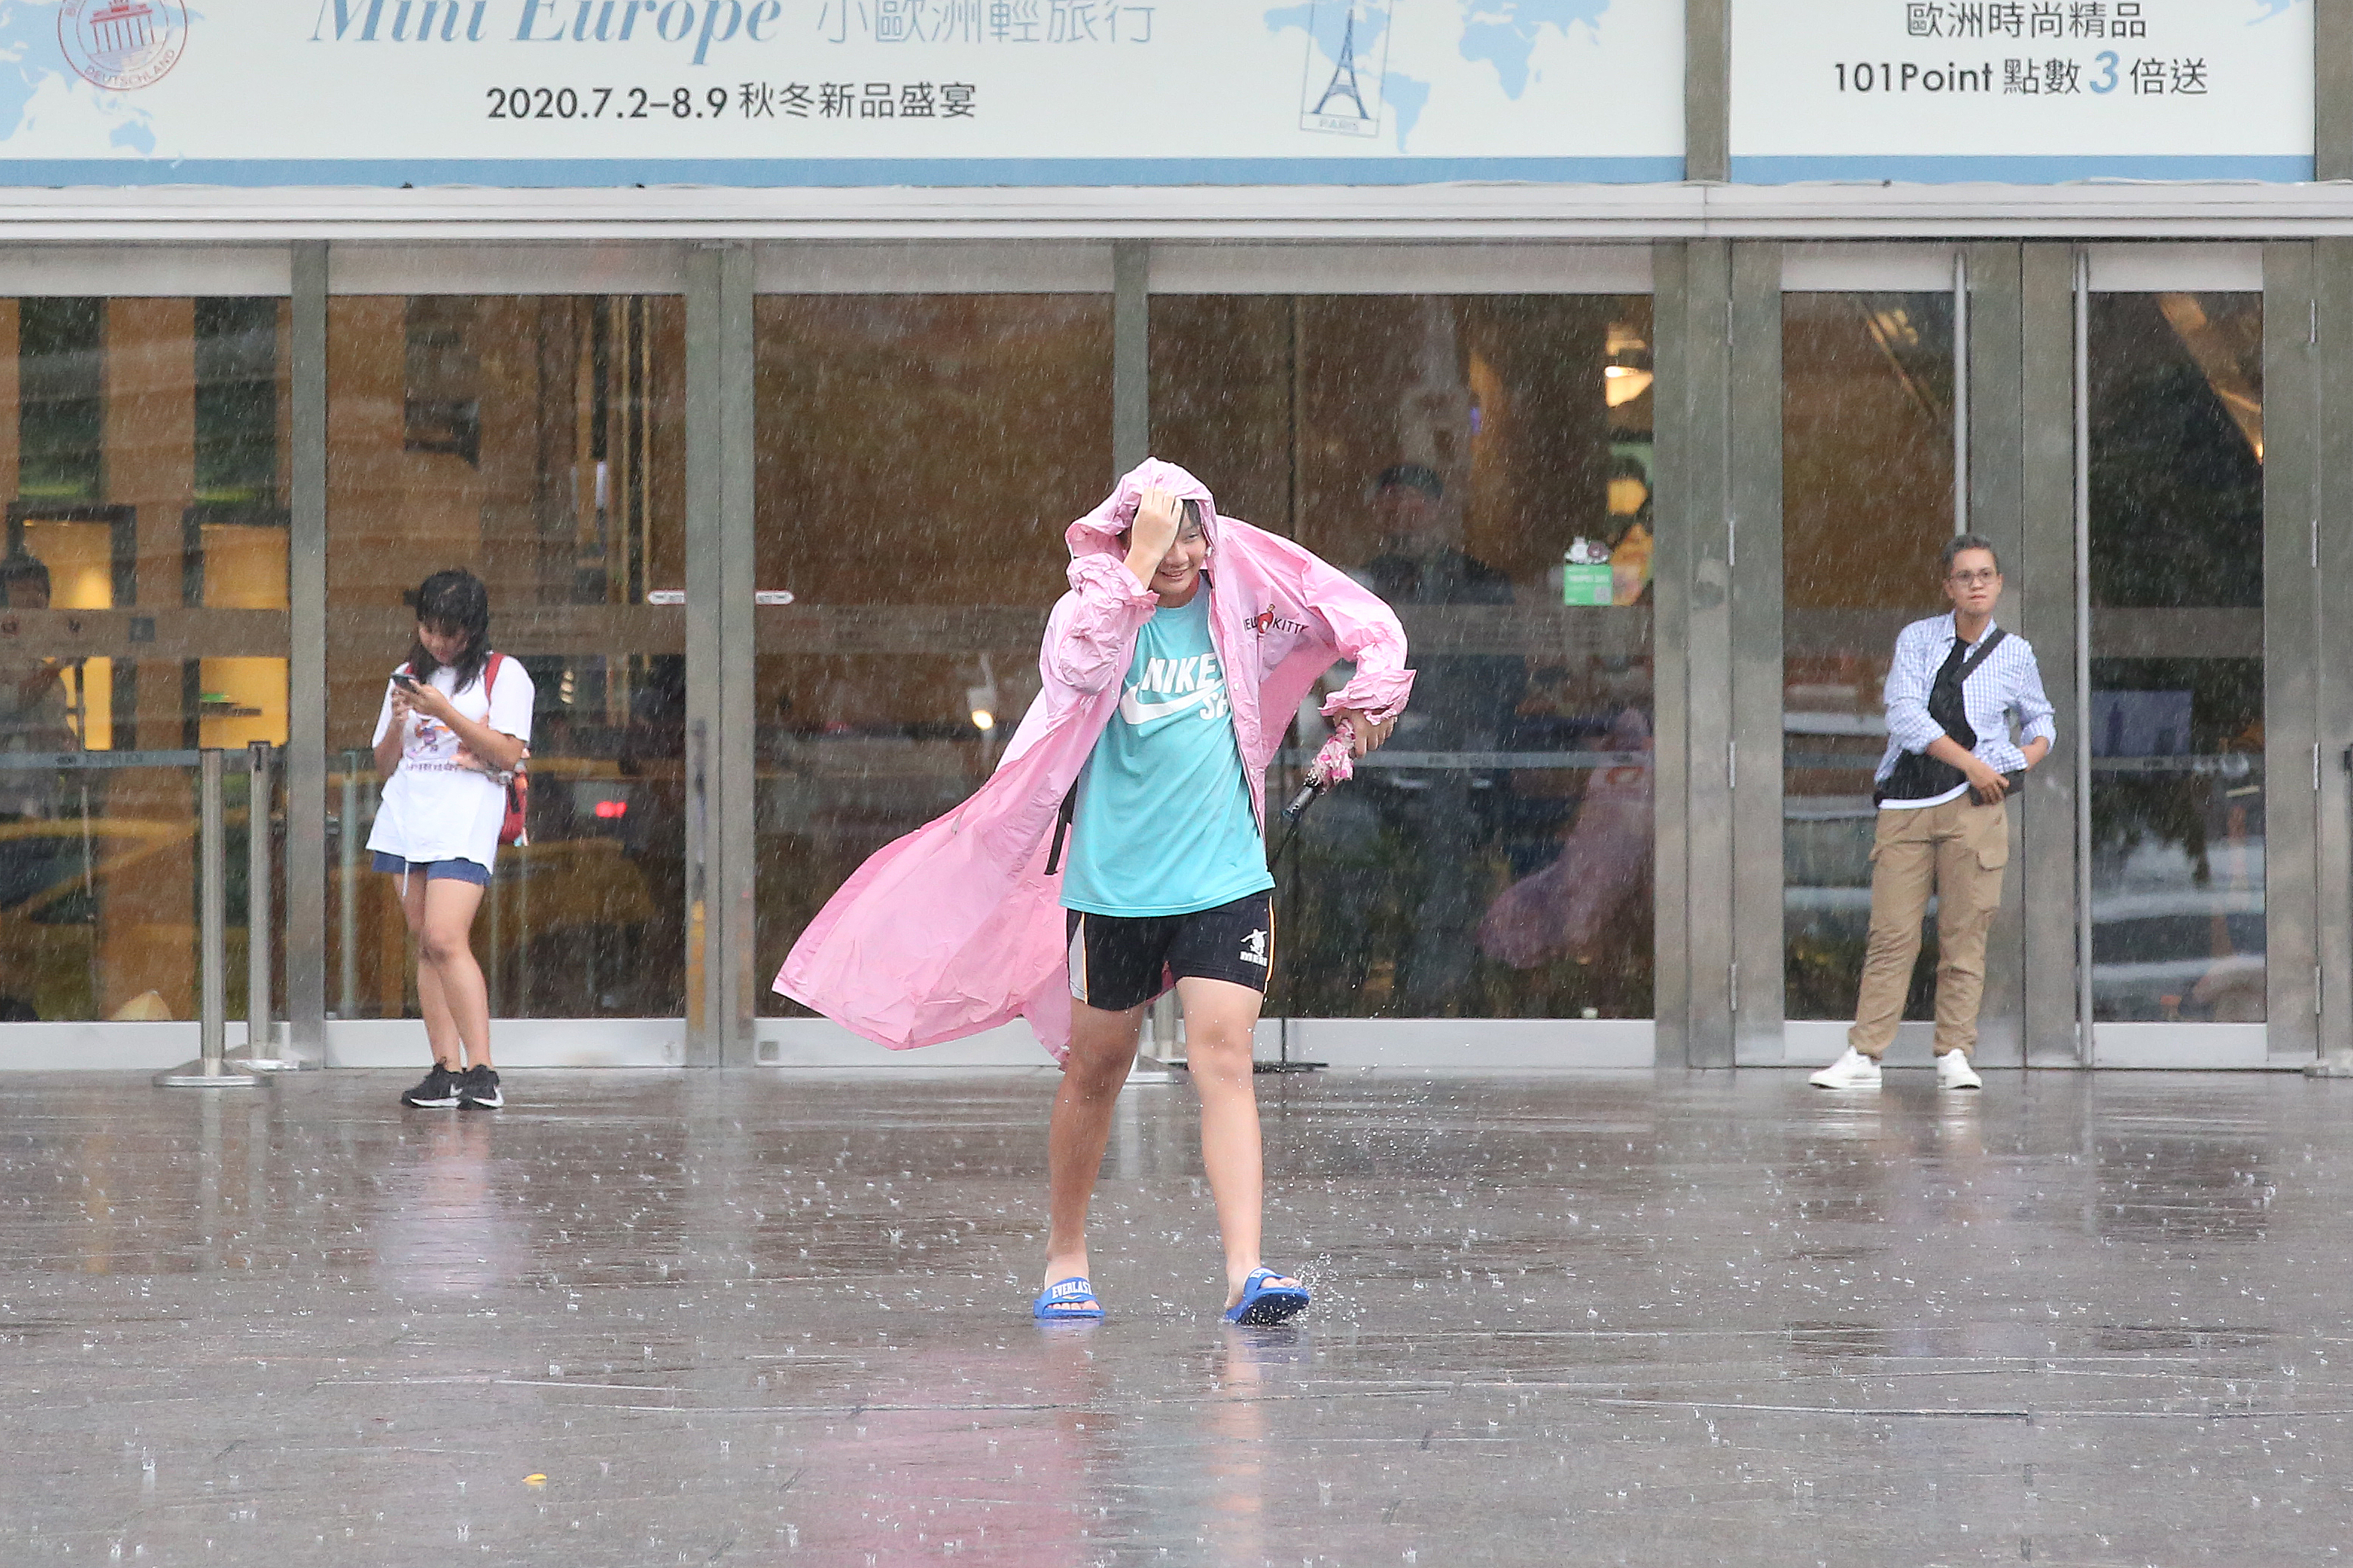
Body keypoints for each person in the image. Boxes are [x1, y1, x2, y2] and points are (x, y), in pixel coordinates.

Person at [776, 459, 1413, 1325]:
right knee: (1096, 1070)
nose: (1180, 552)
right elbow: (1074, 670)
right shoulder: (1093, 612)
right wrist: (1130, 571)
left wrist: (1367, 703)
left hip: (1223, 877)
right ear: (1120, 535)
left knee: (1221, 1060)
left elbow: (1360, 622)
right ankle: (1065, 1254)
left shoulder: (1242, 601)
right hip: (1111, 885)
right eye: (1158, 533)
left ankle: (1246, 1271)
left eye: (1192, 532)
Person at [1811, 534, 2055, 1092]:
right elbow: (1905, 716)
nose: (1975, 584)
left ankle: (1952, 1053)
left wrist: (2016, 759)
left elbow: (2043, 721)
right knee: (1892, 934)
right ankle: (1864, 1052)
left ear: (1998, 584)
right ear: (1947, 586)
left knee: (1965, 934)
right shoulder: (1919, 639)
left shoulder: (2014, 653)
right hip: (1907, 804)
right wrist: (1971, 763)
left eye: (1985, 575)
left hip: (1976, 809)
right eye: (1964, 575)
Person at [1331, 464, 1520, 1014]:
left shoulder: (1481, 584)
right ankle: (1343, 988)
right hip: (1371, 771)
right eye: (1391, 505)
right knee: (1331, 840)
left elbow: (1503, 681)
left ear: (1439, 511)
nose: (1402, 517)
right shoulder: (1358, 585)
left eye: (1414, 504)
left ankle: (1431, 998)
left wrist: (1439, 713)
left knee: (1448, 844)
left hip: (1456, 770)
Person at [368, 569, 533, 1111]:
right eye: (430, 629)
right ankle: (446, 1068)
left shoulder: (502, 674)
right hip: (407, 815)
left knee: (445, 936)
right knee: (425, 941)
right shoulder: (405, 674)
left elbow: (509, 752)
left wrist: (445, 712)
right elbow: (383, 763)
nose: (438, 642)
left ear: (473, 629)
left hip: (464, 816)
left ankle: (482, 1069)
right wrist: (397, 721)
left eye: (451, 632)